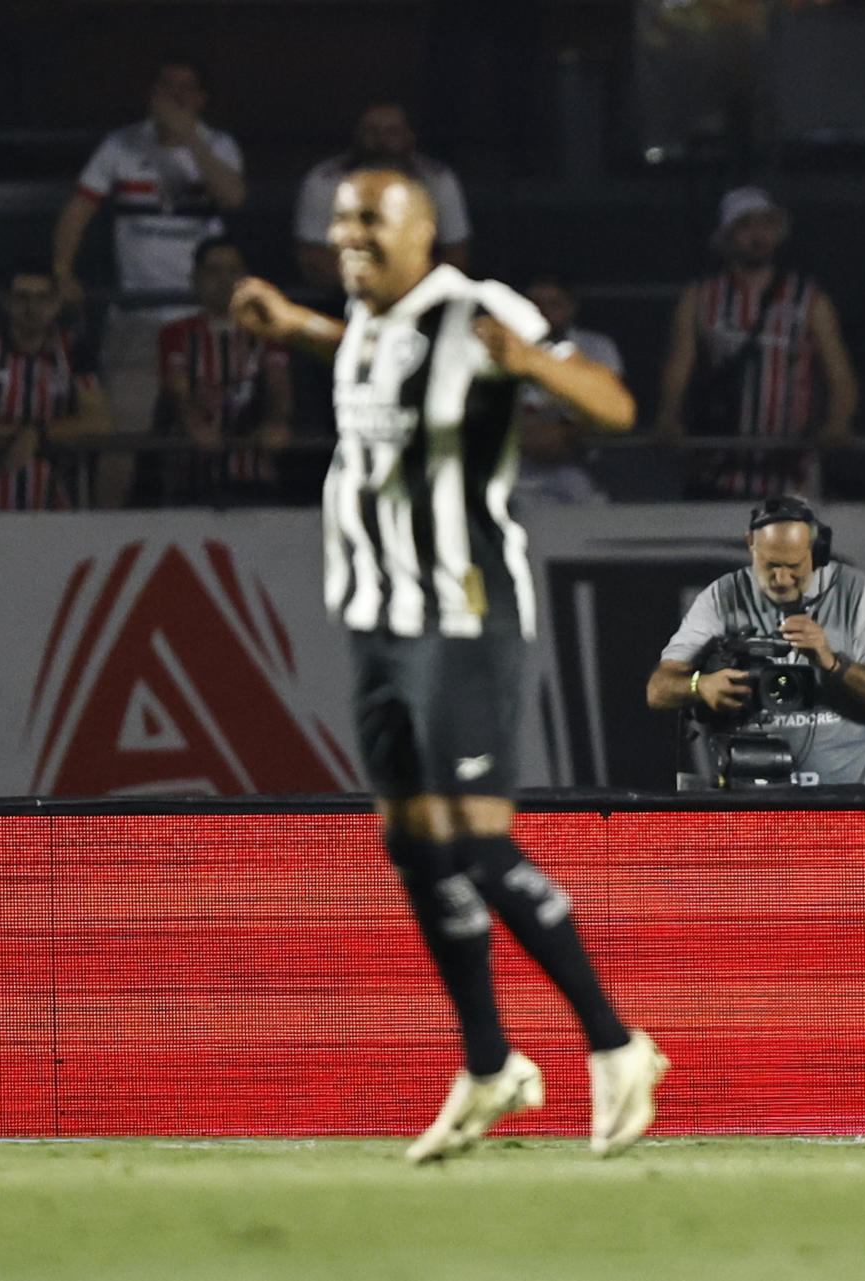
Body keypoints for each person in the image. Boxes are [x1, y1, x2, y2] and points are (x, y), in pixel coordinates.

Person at [228, 169, 664, 1162]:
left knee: (476, 846)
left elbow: (615, 406)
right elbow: (378, 361)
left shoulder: (477, 308)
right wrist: (296, 325)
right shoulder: (371, 320)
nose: (347, 233)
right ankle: (489, 1066)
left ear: (423, 231)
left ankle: (616, 1044)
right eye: (338, 217)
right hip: (376, 618)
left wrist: (535, 366)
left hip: (461, 614)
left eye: (368, 219)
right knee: (415, 848)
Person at [645, 497, 865, 787]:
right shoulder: (721, 597)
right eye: (770, 565)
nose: (782, 579)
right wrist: (700, 685)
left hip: (843, 803)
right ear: (751, 544)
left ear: (817, 552)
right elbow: (658, 689)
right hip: (752, 806)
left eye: (794, 566)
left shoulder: (857, 595)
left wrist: (833, 663)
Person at [52, 60, 246, 439]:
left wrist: (191, 138)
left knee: (203, 428)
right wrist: (62, 271)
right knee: (122, 432)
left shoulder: (219, 145)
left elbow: (233, 197)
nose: (175, 95)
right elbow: (77, 211)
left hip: (202, 313)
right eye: (166, 85)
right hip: (138, 314)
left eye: (185, 87)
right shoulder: (120, 144)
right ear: (151, 94)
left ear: (201, 99)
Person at [652, 187, 859, 500]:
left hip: (788, 472)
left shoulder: (809, 300)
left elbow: (839, 373)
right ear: (727, 237)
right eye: (745, 226)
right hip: (715, 469)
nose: (757, 235)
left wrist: (838, 423)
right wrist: (668, 417)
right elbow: (679, 366)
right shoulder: (701, 298)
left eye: (765, 225)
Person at [0, 267, 112, 510]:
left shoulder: (76, 351)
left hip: (59, 504)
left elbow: (99, 422)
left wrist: (37, 434)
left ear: (57, 303)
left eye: (43, 298)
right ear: (7, 302)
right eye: (22, 297)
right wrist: (23, 435)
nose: (32, 307)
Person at [152, 237, 292, 505]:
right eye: (213, 271)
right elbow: (178, 389)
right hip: (191, 474)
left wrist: (278, 421)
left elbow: (279, 385)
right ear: (196, 279)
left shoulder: (267, 333)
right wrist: (194, 424)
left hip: (254, 473)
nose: (224, 281)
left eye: (233, 271)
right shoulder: (176, 334)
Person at [294, 103, 472, 293]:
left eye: (391, 131)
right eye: (343, 218)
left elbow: (456, 256)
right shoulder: (324, 180)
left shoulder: (437, 180)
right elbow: (313, 261)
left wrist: (400, 293)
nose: (380, 140)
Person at [514, 274, 624, 508]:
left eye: (554, 304)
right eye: (535, 305)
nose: (543, 312)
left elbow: (608, 414)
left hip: (581, 476)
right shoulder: (500, 351)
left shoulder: (596, 348)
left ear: (571, 307)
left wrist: (565, 435)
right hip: (516, 480)